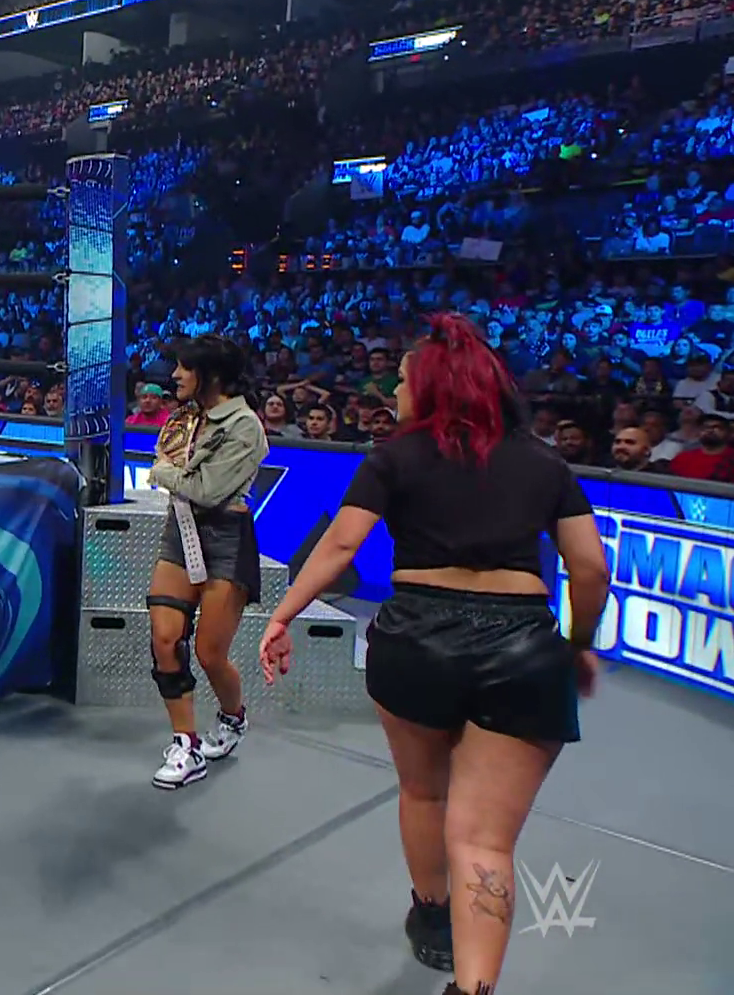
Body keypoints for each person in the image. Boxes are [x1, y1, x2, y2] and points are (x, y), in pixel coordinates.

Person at [258, 314, 607, 995]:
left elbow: (340, 545)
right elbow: (590, 569)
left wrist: (282, 614)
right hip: (522, 646)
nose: (394, 390)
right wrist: (580, 645)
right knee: (485, 841)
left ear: (432, 387)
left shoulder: (394, 456)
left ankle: (432, 917)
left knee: (423, 790)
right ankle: (473, 988)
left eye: (402, 379)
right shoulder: (544, 461)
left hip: (416, 638)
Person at [144, 335, 268, 790]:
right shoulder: (185, 417)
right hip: (180, 531)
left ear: (211, 376)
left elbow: (207, 491)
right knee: (165, 640)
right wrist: (174, 473)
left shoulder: (245, 426)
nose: (175, 375)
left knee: (210, 654)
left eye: (184, 368)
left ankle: (233, 718)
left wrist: (162, 472)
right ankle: (186, 744)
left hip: (226, 538)